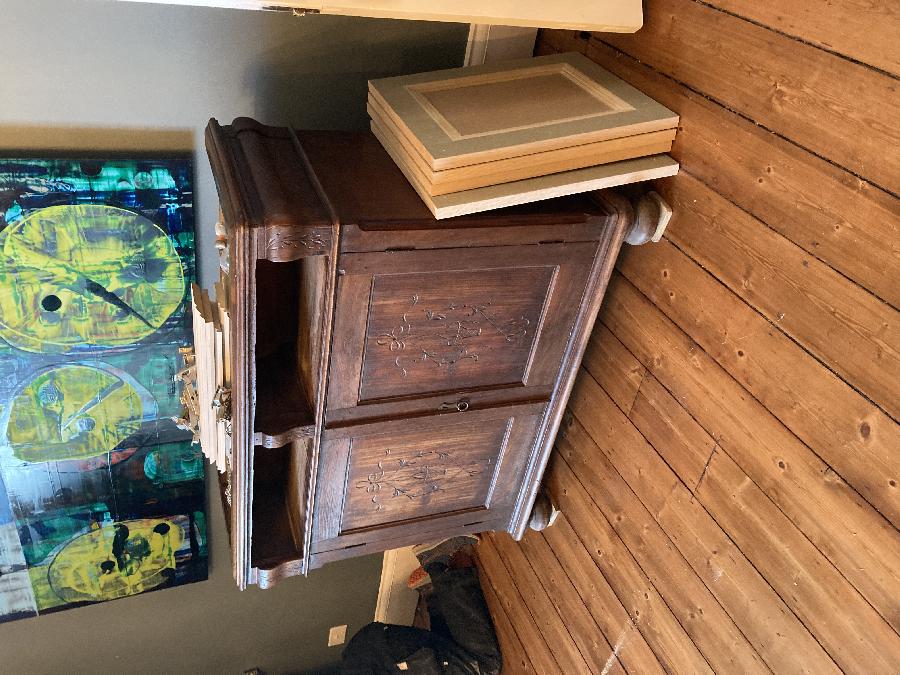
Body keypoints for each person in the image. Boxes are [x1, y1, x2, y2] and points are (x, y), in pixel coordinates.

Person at [341, 536, 502, 674]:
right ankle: (430, 591)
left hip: (381, 658)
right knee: (449, 654)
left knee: (485, 666)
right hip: (369, 652)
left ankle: (435, 560)